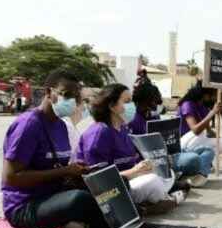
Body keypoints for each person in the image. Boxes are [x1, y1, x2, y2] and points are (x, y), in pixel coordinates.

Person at [1, 69, 108, 228]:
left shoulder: (61, 125)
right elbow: (12, 177)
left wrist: (79, 174)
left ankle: (89, 223)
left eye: (75, 97)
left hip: (53, 196)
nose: (71, 101)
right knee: (80, 199)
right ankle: (106, 223)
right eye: (66, 95)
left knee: (109, 186)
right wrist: (65, 171)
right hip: (25, 206)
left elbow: (58, 168)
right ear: (49, 92)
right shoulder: (28, 125)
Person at [76, 84, 180, 215]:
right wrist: (134, 171)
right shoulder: (99, 133)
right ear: (112, 106)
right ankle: (151, 204)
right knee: (153, 182)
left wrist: (145, 166)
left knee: (166, 173)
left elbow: (130, 162)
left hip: (129, 180)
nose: (132, 106)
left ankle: (152, 201)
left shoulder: (123, 129)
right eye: (127, 101)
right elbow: (97, 178)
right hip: (109, 190)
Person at [128, 80, 215, 188]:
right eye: (154, 101)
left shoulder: (154, 116)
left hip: (170, 152)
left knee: (208, 151)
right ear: (145, 101)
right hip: (157, 159)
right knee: (193, 159)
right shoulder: (134, 121)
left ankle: (195, 173)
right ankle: (192, 173)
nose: (157, 104)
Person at [178, 81, 222, 152]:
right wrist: (212, 112)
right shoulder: (187, 105)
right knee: (209, 141)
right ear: (205, 94)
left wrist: (218, 137)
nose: (214, 98)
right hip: (184, 141)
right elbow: (196, 130)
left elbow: (208, 131)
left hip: (196, 139)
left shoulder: (203, 106)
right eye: (213, 95)